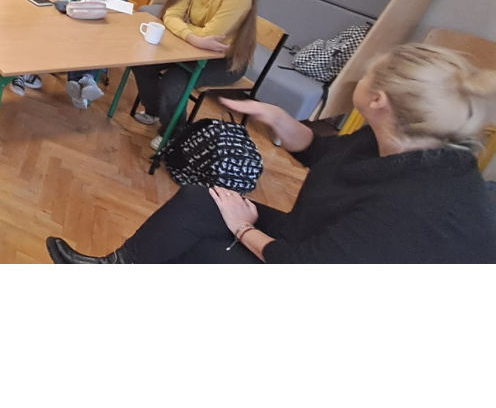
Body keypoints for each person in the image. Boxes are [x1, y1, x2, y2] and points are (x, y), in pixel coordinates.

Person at [47, 43, 496, 263]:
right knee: (202, 200)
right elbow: (322, 153)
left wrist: (243, 228)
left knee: (204, 251)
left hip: (309, 265)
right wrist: (279, 119)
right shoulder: (399, 140)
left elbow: (303, 267)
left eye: (366, 75)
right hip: (313, 239)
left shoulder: (419, 206)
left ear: (378, 101)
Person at [131, 0, 258, 149]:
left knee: (173, 81)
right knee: (142, 62)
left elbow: (211, 34)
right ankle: (155, 111)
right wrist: (193, 37)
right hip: (193, 49)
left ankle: (174, 134)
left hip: (225, 61)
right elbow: (170, 14)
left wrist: (186, 30)